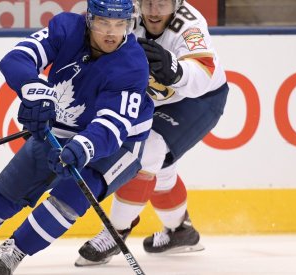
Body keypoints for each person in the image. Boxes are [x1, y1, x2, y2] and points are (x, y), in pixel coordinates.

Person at [0, 0, 154, 274]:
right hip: (62, 129)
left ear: (130, 24)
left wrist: (83, 146)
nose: (111, 32)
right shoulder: (66, 28)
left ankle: (17, 248)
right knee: (7, 190)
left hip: (115, 146)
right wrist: (35, 90)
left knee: (70, 196)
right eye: (103, 22)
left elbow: (112, 125)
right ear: (89, 19)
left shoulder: (133, 64)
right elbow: (17, 58)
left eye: (120, 24)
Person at [75, 0, 229, 266]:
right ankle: (181, 230)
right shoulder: (121, 16)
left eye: (162, 4)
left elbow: (204, 70)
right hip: (153, 100)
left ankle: (117, 232)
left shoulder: (189, 24)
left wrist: (177, 71)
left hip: (198, 99)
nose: (155, 11)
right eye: (149, 3)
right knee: (161, 165)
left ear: (177, 4)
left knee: (149, 152)